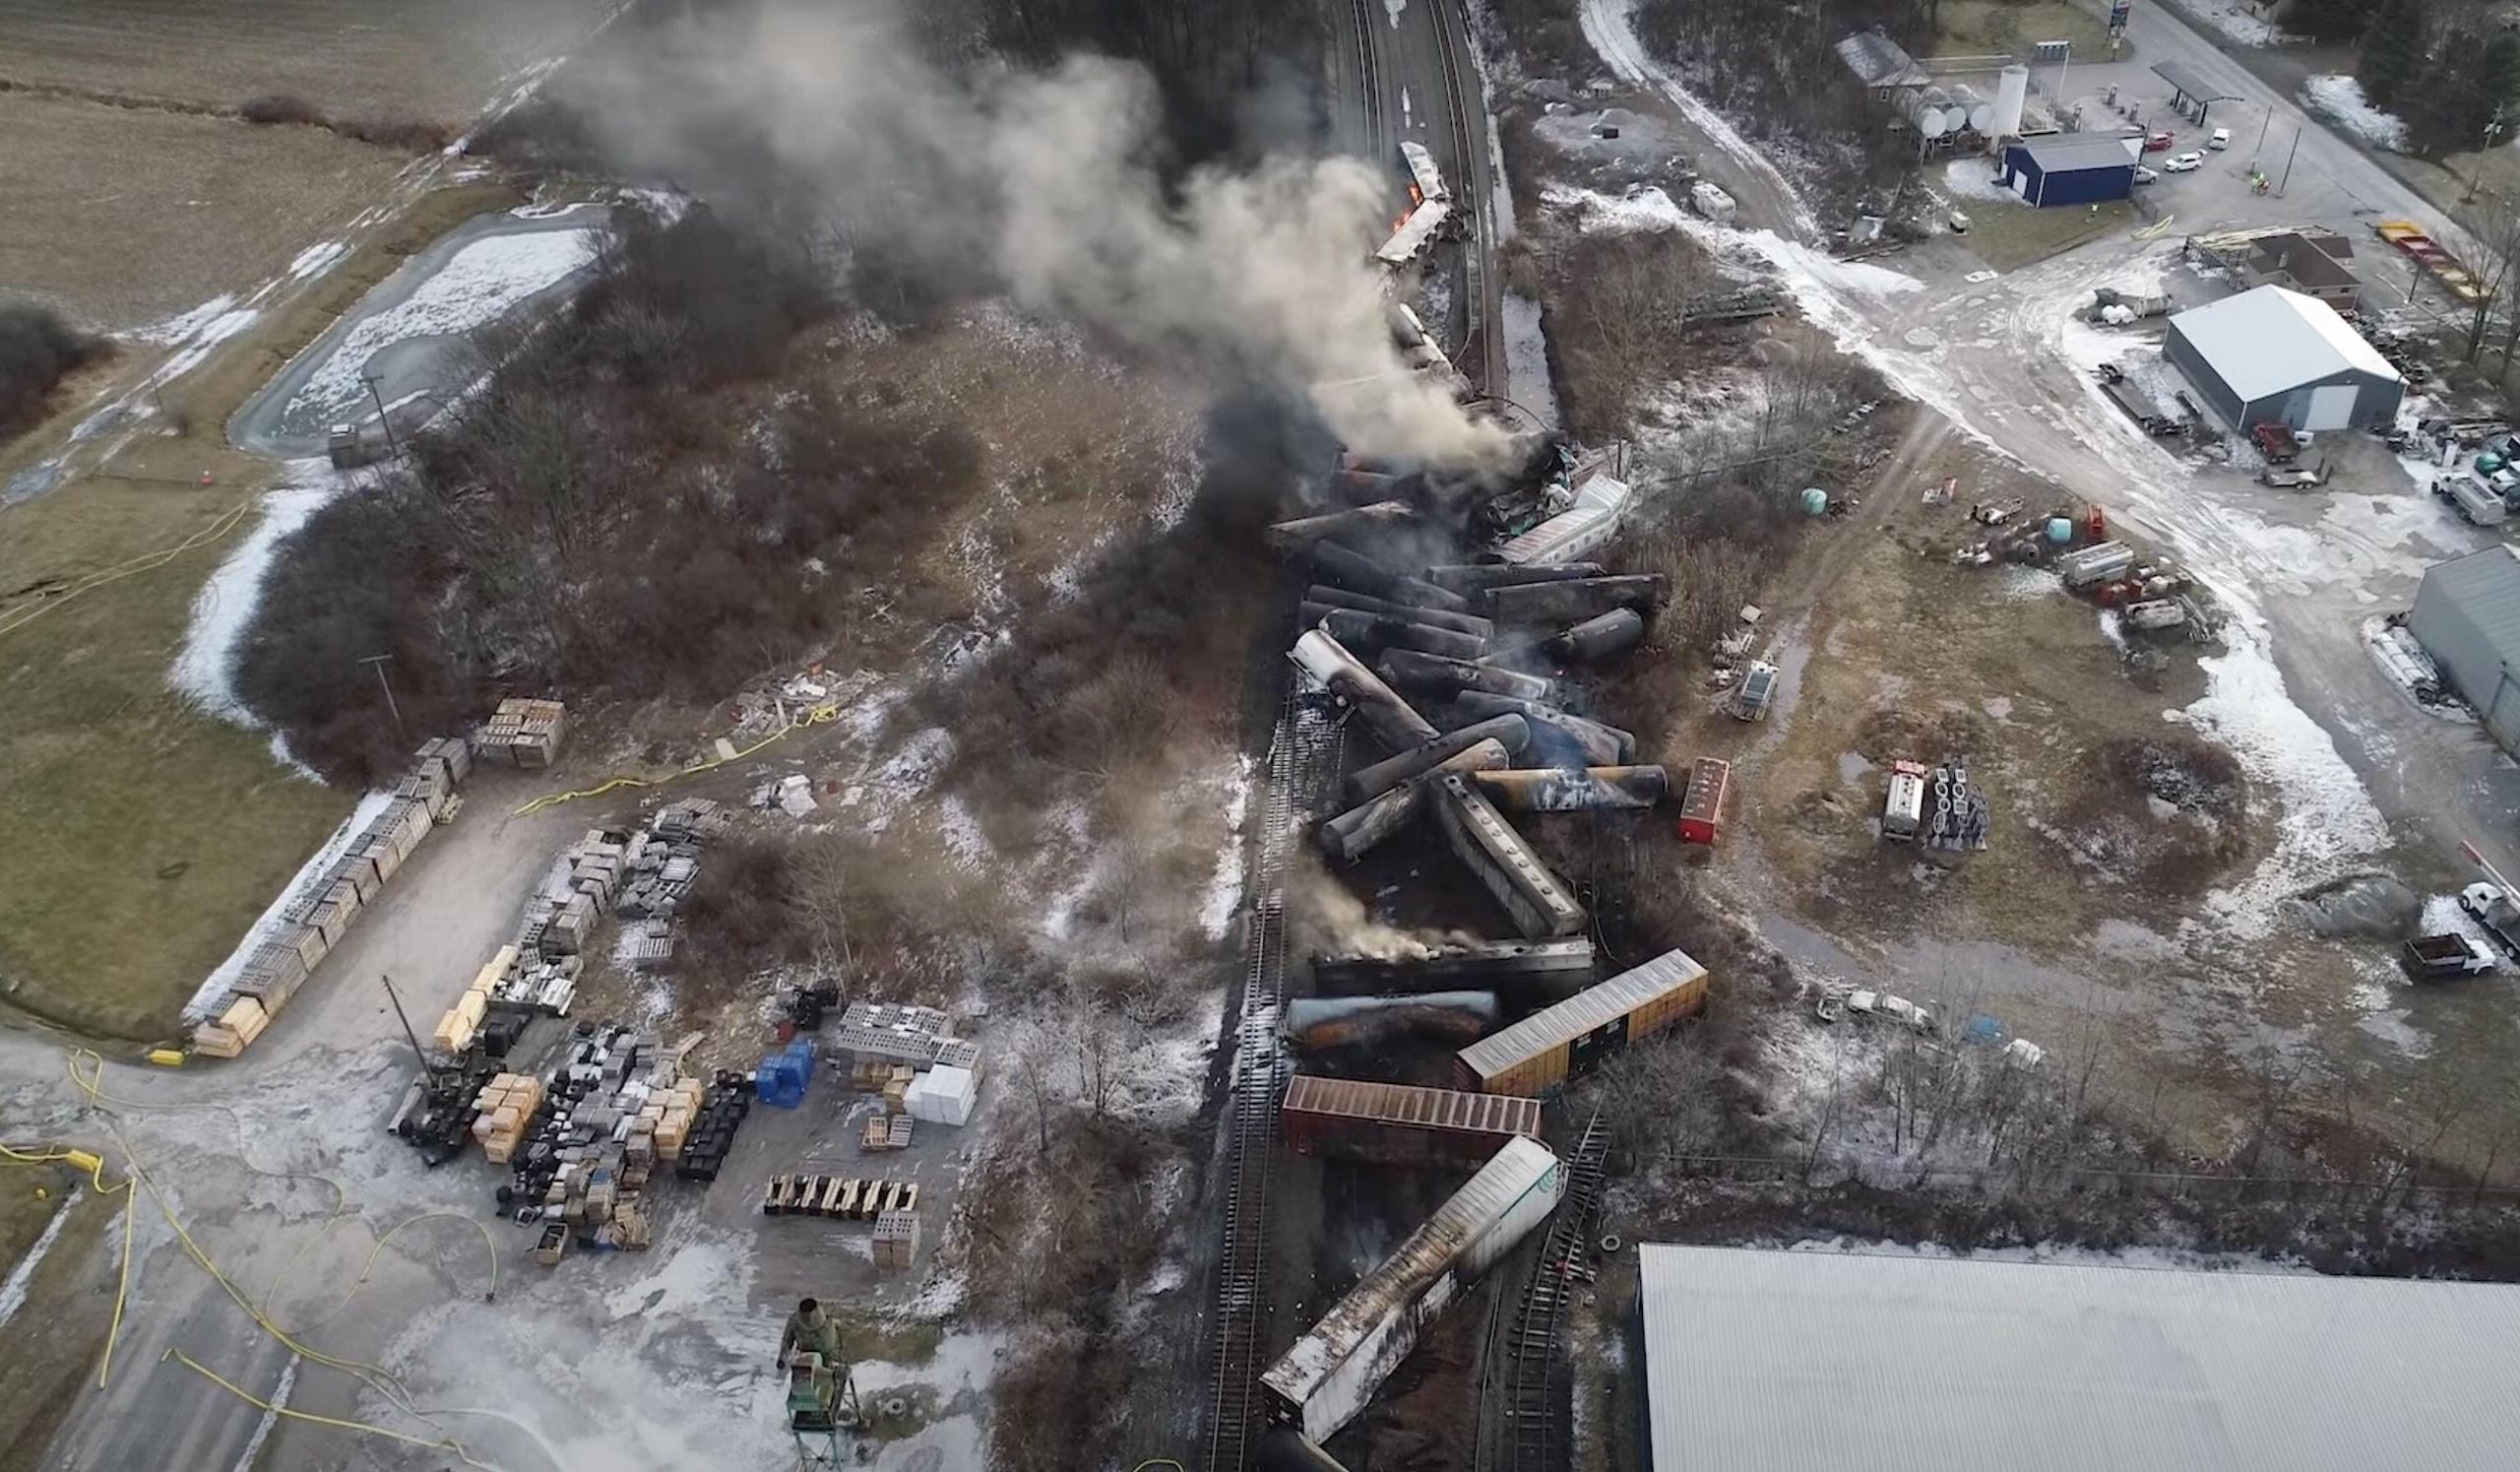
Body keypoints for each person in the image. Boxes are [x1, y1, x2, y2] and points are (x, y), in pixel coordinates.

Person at [780, 1297, 840, 1366]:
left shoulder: (794, 1320)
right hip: (819, 1356)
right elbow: (787, 1342)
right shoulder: (826, 1315)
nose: (809, 1318)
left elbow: (786, 1342)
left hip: (807, 1357)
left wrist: (782, 1358)